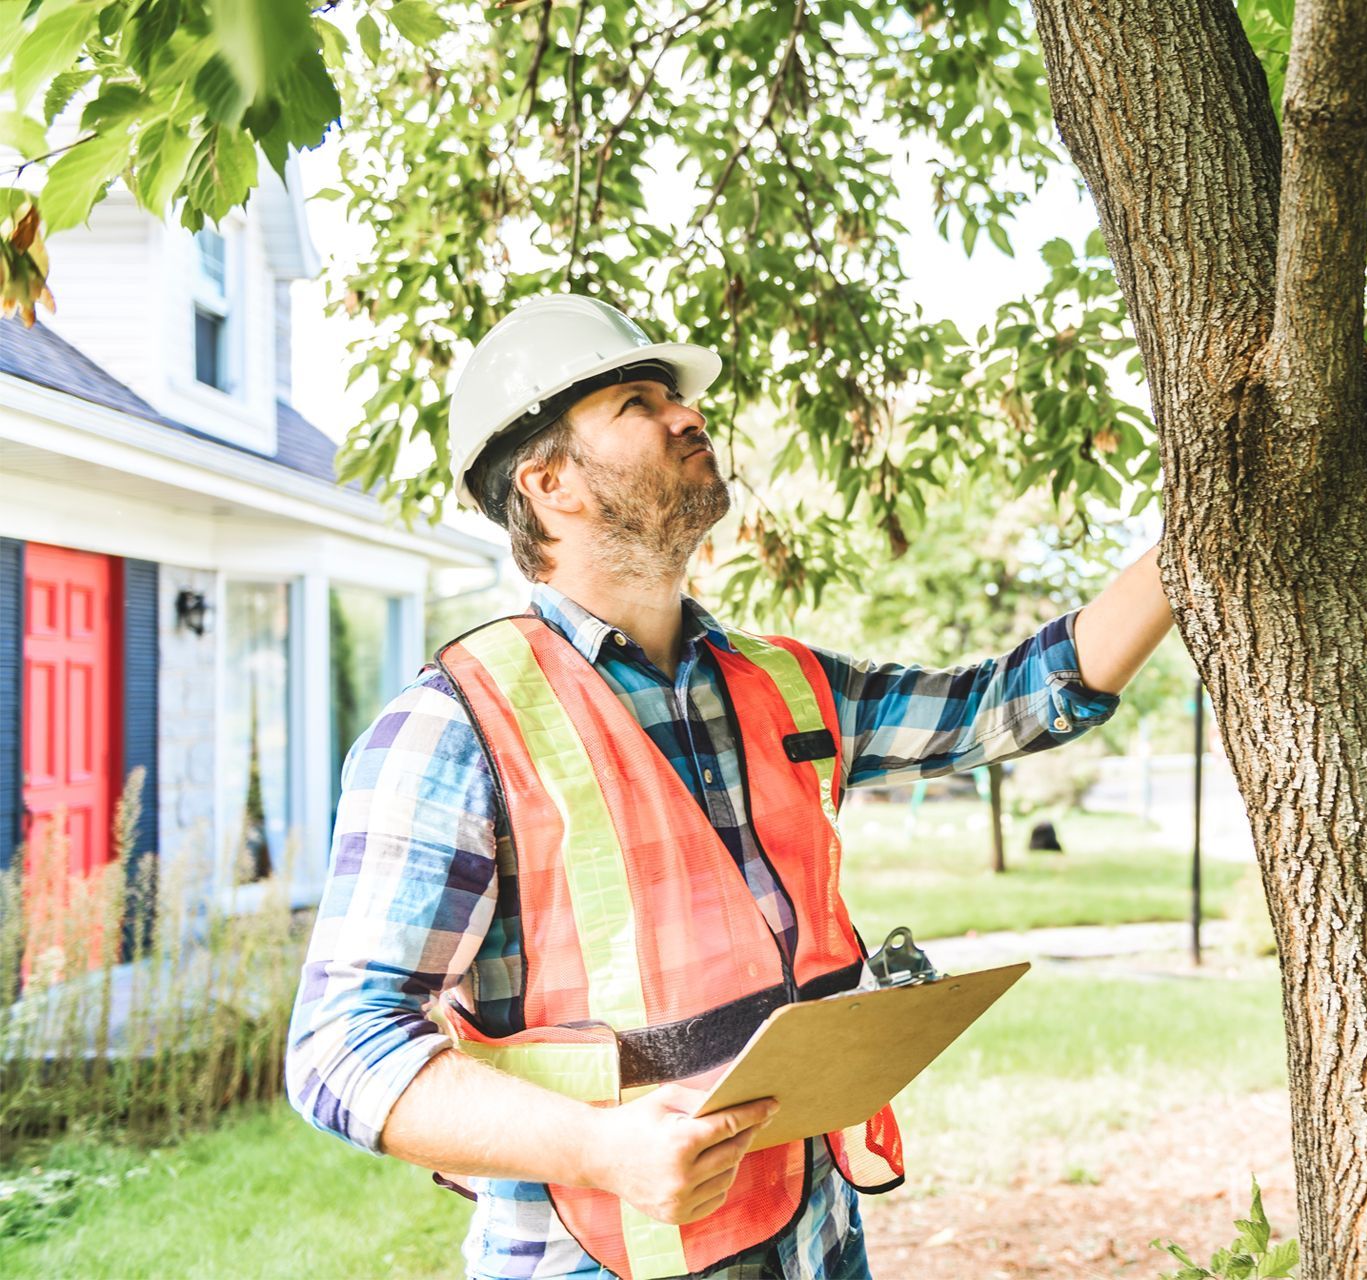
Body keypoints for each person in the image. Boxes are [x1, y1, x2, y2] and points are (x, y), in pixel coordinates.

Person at [285, 294, 1175, 1280]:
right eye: (637, 400)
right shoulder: (455, 726)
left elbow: (1008, 703)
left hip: (814, 1229)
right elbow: (340, 1047)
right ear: (548, 483)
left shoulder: (785, 684)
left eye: (675, 396)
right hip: (599, 1251)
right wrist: (599, 1147)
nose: (687, 415)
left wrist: (1189, 544)